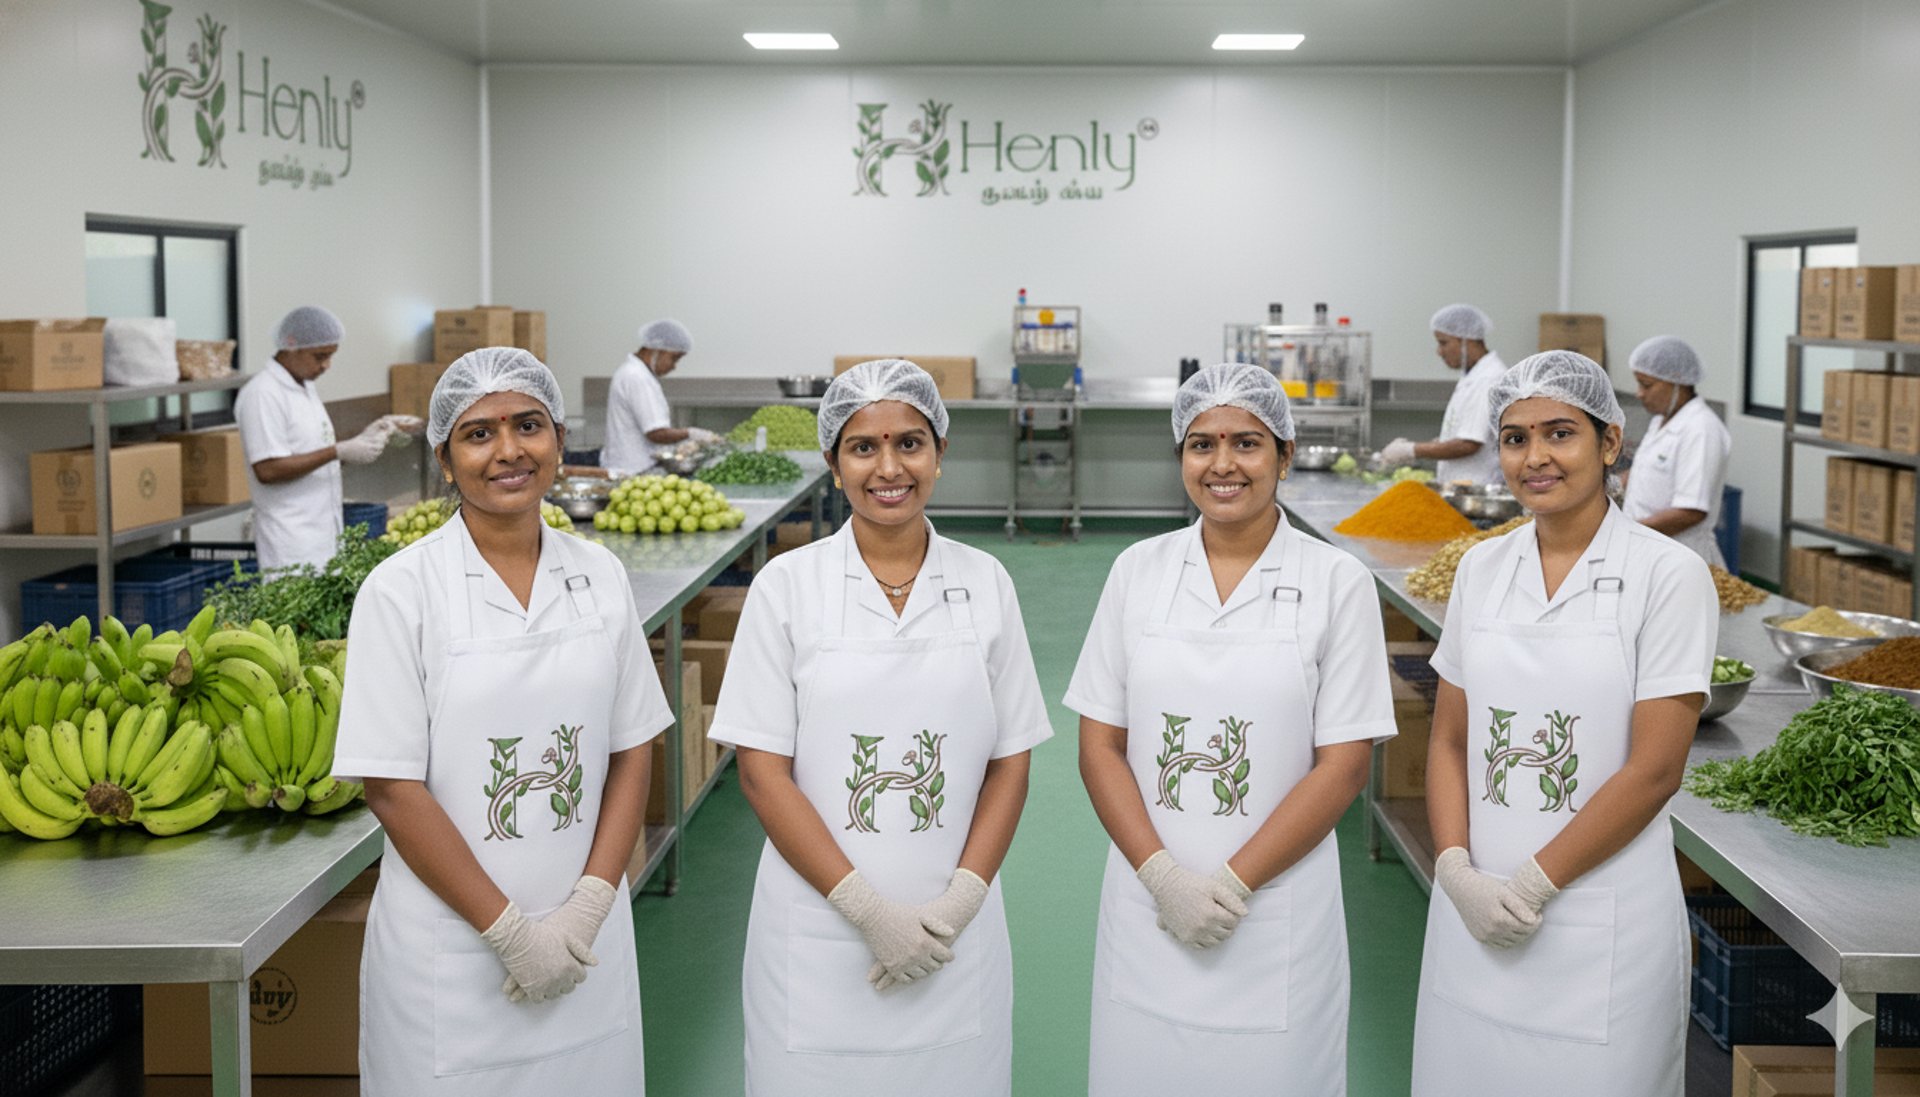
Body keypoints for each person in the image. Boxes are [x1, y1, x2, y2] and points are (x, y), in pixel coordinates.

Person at [708, 359, 1051, 1097]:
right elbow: (762, 774)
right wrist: (865, 910)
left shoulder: (986, 582)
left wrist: (960, 901)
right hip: (820, 926)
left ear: (940, 452)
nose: (889, 468)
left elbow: (1010, 762)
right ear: (834, 465)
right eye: (863, 447)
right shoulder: (786, 588)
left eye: (909, 443)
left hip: (952, 926)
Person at [334, 347, 672, 1095]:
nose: (509, 450)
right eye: (478, 433)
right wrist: (509, 932)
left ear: (559, 438)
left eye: (528, 425)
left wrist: (589, 905)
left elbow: (631, 748)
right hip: (453, 955)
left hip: (586, 938)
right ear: (444, 459)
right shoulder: (400, 592)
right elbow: (391, 787)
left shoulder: (600, 574)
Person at [1065, 363, 1393, 1096]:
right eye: (1201, 444)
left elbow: (1343, 765)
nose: (1223, 464)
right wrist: (1163, 877)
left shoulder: (1336, 582)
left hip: (1277, 905)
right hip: (1148, 897)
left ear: (1286, 453)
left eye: (1246, 443)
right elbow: (1101, 745)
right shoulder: (1137, 571)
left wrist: (1234, 882)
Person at [1410, 350, 1716, 1097]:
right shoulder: (1481, 569)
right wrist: (1455, 870)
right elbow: (1449, 739)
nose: (1535, 457)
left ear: (1610, 442)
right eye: (1515, 438)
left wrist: (1534, 883)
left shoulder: (1666, 575)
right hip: (1474, 907)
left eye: (1559, 433)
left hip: (1599, 917)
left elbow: (1654, 770)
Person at [234, 306, 414, 570]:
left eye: (330, 356)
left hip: (323, 533)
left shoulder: (304, 388)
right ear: (291, 346)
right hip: (291, 542)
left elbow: (312, 453)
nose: (326, 365)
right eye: (319, 356)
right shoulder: (263, 394)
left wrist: (362, 441)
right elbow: (268, 469)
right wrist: (337, 451)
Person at [1622, 336, 1732, 568]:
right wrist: (1606, 486)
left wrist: (1626, 533)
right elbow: (1645, 471)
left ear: (1676, 382)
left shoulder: (1701, 429)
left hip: (1680, 557)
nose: (1639, 393)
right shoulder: (1660, 421)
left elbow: (1691, 512)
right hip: (1647, 550)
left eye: (1646, 385)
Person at [1382, 304, 1508, 485]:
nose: (1439, 352)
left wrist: (1411, 450)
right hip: (1460, 484)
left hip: (1476, 485)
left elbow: (1468, 444)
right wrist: (1438, 444)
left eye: (1443, 343)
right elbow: (1465, 432)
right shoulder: (1472, 376)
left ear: (1466, 340)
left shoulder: (1488, 379)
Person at [600, 318, 719, 473]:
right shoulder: (636, 377)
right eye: (674, 358)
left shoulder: (636, 373)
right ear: (656, 349)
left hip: (632, 466)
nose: (674, 366)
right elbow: (656, 433)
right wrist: (691, 434)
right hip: (633, 470)